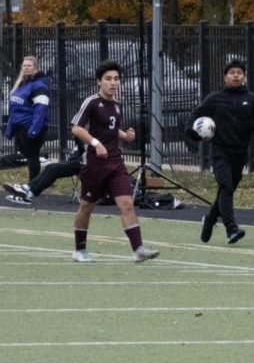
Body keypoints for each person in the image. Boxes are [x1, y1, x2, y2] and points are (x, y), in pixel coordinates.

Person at [68, 60, 159, 263]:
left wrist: (124, 136)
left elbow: (109, 128)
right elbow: (76, 127)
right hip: (94, 165)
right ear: (99, 82)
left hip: (116, 163)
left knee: (127, 203)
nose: (113, 83)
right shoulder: (91, 102)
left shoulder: (118, 105)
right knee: (86, 206)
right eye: (108, 79)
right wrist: (95, 143)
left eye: (116, 79)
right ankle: (79, 249)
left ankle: (138, 249)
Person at [190, 59, 254, 245]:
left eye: (239, 73)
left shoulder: (251, 99)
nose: (235, 75)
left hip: (240, 152)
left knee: (228, 190)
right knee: (225, 186)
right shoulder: (215, 99)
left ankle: (209, 219)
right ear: (225, 77)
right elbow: (195, 116)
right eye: (232, 72)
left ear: (244, 76)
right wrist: (193, 133)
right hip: (220, 151)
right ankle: (231, 229)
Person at [5, 55, 52, 183]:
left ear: (35, 68)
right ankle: (34, 182)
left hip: (30, 126)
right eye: (24, 65)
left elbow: (41, 109)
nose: (26, 68)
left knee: (32, 156)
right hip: (20, 126)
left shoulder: (39, 86)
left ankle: (34, 184)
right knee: (27, 154)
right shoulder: (21, 84)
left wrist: (34, 129)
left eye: (29, 66)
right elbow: (14, 108)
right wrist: (10, 127)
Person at [3, 145, 82, 204]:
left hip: (85, 166)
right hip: (80, 163)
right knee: (50, 167)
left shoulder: (92, 139)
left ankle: (27, 193)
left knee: (53, 169)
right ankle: (26, 191)